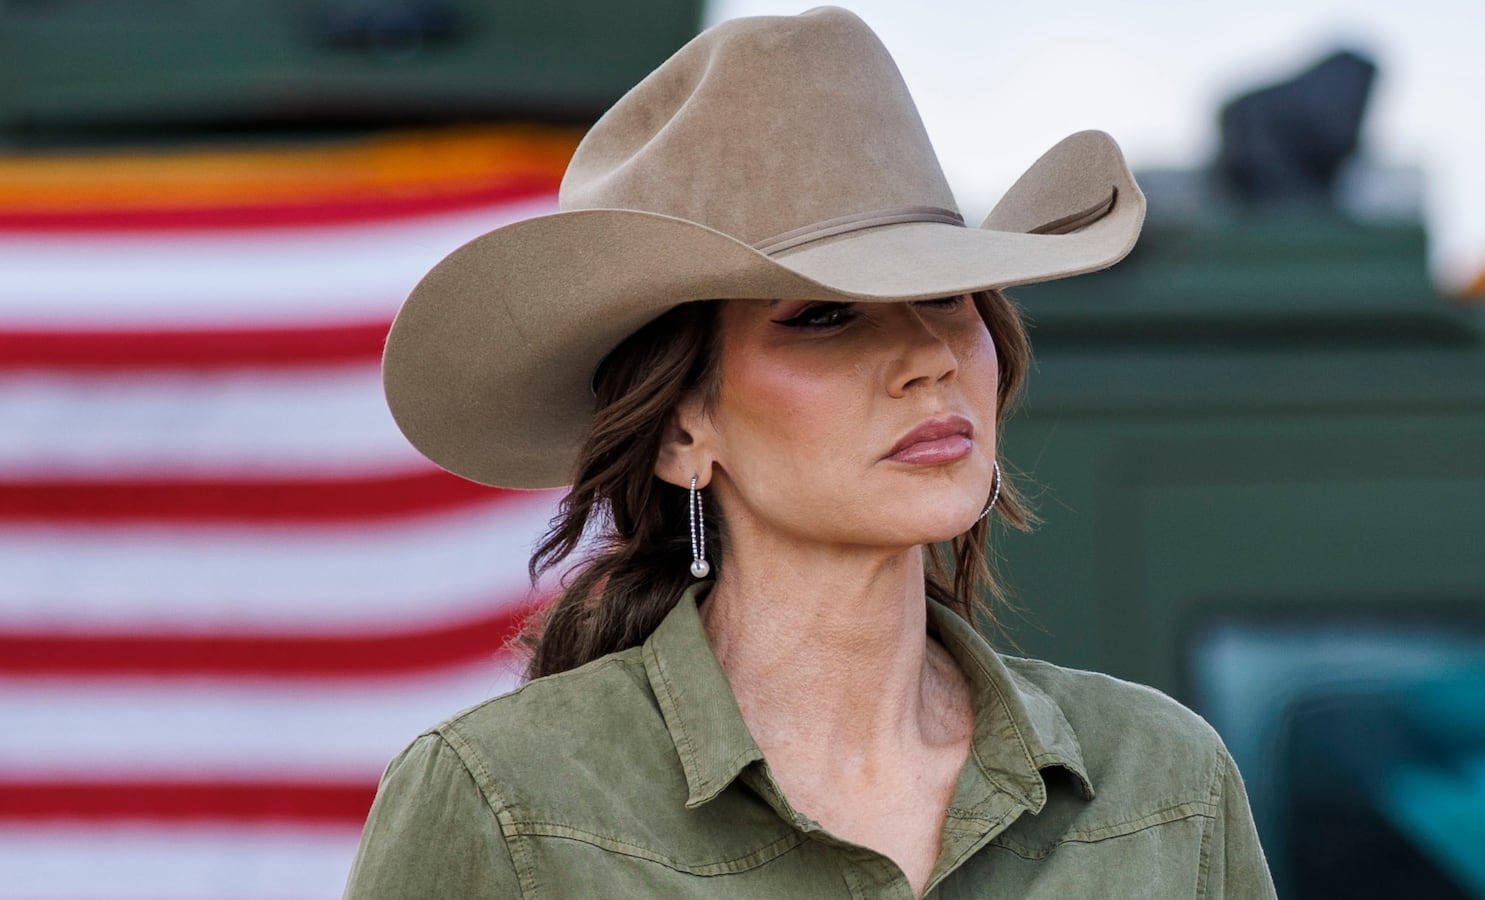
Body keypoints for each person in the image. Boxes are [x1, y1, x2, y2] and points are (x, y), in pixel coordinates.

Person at [346, 6, 1277, 898]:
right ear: (679, 431)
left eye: (951, 298)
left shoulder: (1163, 789)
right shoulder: (502, 806)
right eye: (826, 316)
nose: (928, 356)